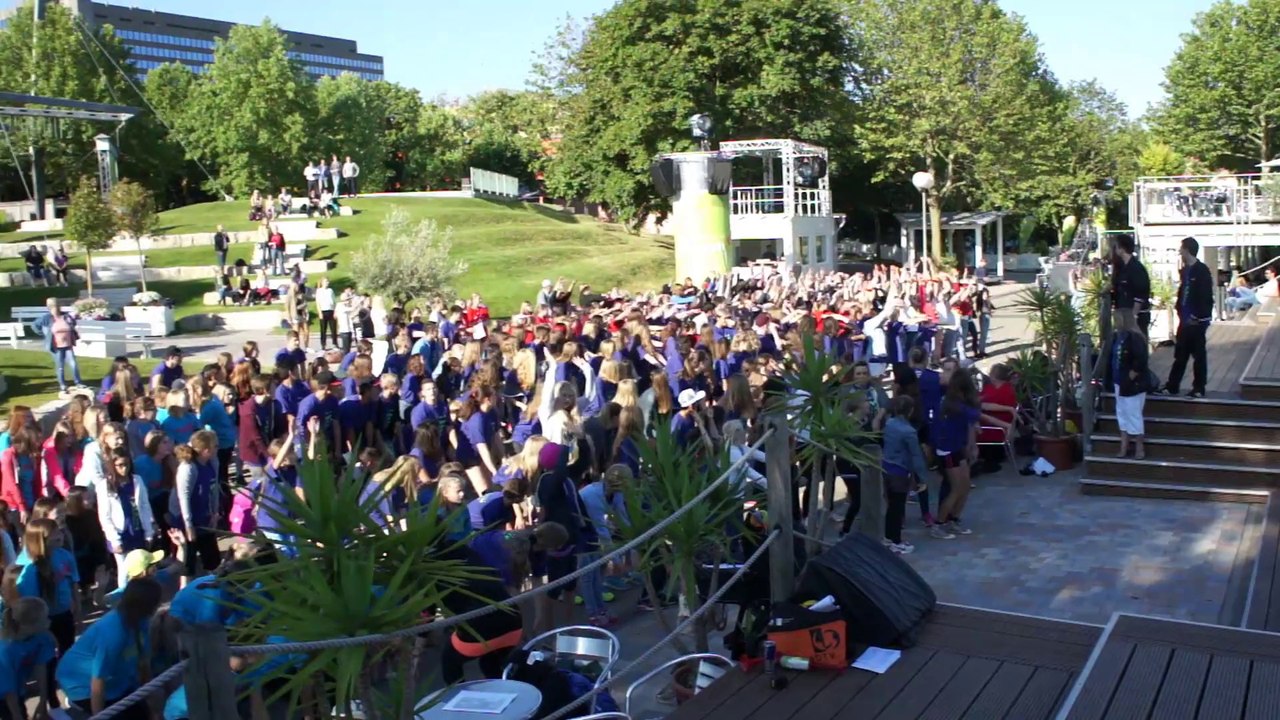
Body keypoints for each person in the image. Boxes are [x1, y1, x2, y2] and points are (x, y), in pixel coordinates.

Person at [56, 577, 162, 719]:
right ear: (147, 606)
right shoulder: (113, 632)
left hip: (119, 681)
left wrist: (153, 704)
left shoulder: (142, 621)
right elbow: (98, 681)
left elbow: (144, 663)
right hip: (83, 685)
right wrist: (100, 716)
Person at [1160, 237, 1214, 399]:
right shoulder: (1185, 271)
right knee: (1180, 353)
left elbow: (1205, 296)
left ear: (1187, 250)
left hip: (1196, 321)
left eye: (1182, 249)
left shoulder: (1201, 271)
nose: (1180, 252)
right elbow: (1183, 293)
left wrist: (1198, 316)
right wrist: (1179, 310)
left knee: (1198, 355)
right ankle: (1172, 385)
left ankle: (1199, 387)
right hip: (1184, 320)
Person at [881, 395, 929, 554]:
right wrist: (922, 478)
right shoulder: (909, 431)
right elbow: (916, 456)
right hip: (900, 471)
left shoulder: (889, 424)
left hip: (886, 467)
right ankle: (896, 541)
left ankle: (888, 538)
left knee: (892, 506)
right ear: (911, 411)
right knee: (898, 506)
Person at [0, 597, 56, 720]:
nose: (49, 621)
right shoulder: (6, 649)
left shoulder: (41, 637)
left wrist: (43, 702)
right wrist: (17, 716)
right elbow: (9, 691)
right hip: (4, 693)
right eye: (44, 619)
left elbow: (41, 667)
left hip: (16, 687)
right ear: (27, 626)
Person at [1106, 310, 1151, 459]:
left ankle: (1139, 447)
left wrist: (1131, 376)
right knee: (1122, 414)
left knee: (1133, 414)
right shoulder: (1117, 337)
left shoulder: (1134, 338)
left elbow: (1141, 360)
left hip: (1133, 384)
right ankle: (1124, 445)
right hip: (1119, 381)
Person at [32, 297, 83, 394]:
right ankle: (63, 385)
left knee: (73, 364)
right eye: (52, 307)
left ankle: (78, 382)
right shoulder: (46, 318)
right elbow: (34, 325)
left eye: (56, 306)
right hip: (56, 347)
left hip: (68, 345)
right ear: (49, 308)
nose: (55, 309)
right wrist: (43, 333)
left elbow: (73, 323)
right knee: (60, 366)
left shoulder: (66, 316)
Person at [1110, 234, 1151, 334]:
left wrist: (1134, 315)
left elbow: (1140, 293)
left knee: (1137, 344)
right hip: (1123, 313)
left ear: (1122, 249)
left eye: (1116, 247)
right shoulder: (1121, 268)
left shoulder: (1136, 268)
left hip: (1134, 315)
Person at [315, 277, 336, 351]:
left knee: (333, 328)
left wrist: (335, 310)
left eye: (328, 281)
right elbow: (318, 302)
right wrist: (319, 312)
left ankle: (334, 343)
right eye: (326, 281)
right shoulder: (319, 291)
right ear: (322, 282)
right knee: (323, 329)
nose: (327, 283)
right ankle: (323, 344)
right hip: (323, 311)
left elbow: (334, 301)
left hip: (331, 310)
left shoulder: (330, 290)